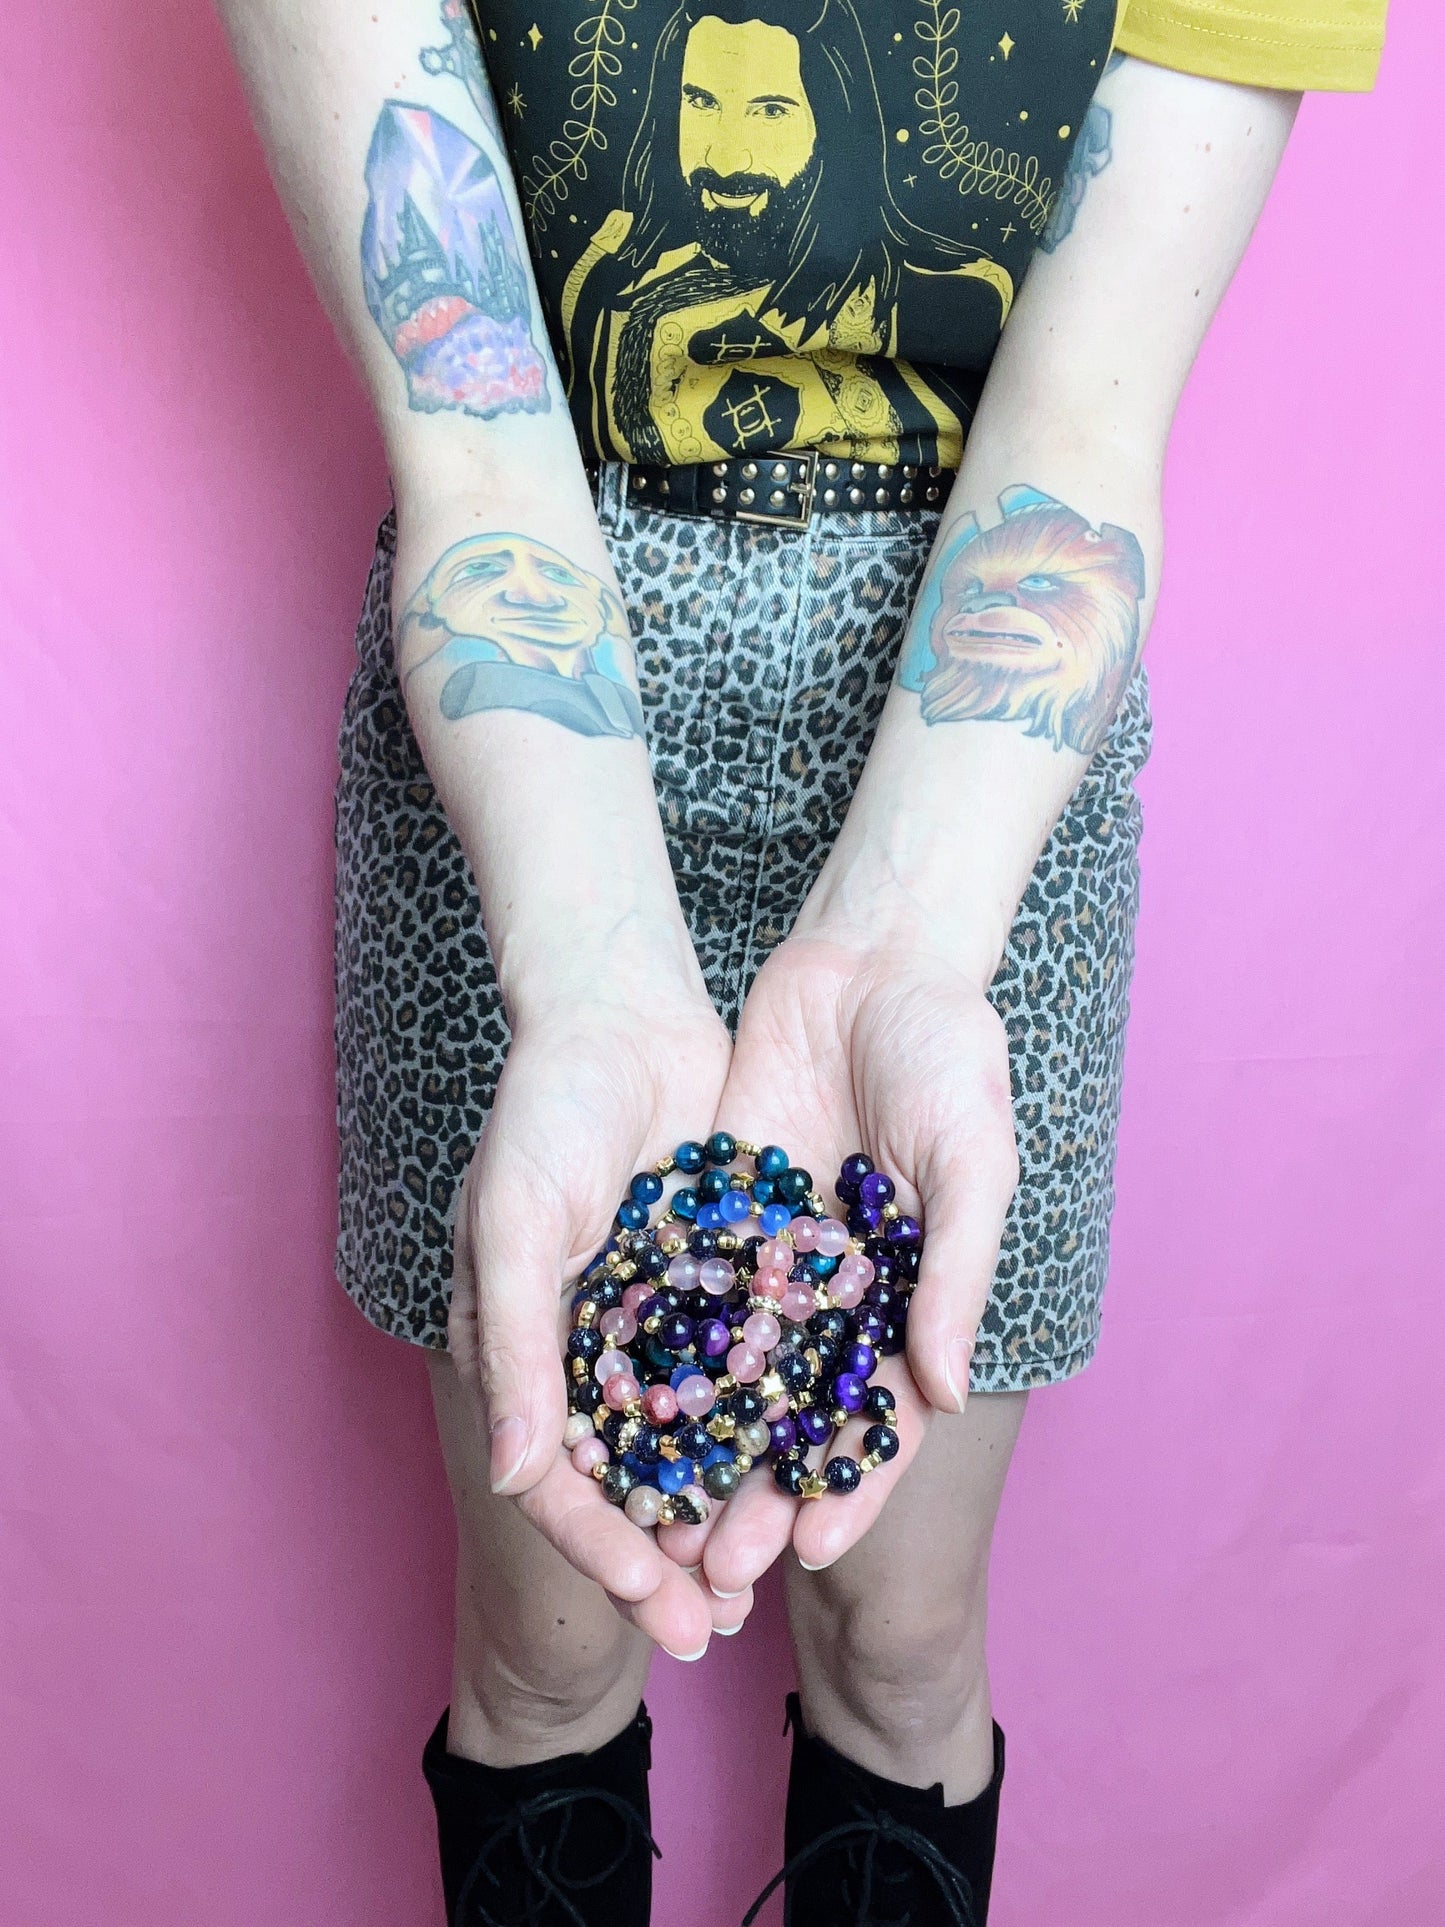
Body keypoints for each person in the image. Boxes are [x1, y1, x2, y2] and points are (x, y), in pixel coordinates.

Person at [217, 1, 1387, 1921]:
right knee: (545, 1637)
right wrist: (589, 975)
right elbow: (476, 447)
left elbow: (1079, 426)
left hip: (977, 757)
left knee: (903, 1635)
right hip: (526, 731)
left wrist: (902, 945)